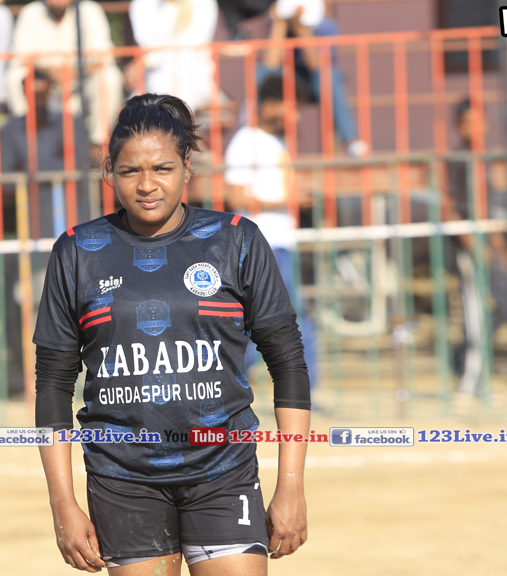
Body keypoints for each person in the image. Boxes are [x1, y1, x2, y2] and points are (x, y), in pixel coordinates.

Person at [34, 94, 310, 576]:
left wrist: (291, 485)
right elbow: (52, 382)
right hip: (123, 481)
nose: (147, 184)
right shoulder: (79, 250)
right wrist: (63, 502)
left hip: (223, 475)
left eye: (162, 168)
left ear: (188, 166)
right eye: (130, 170)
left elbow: (288, 362)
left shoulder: (235, 240)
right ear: (109, 173)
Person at [225, 74, 316, 388]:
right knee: (283, 318)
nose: (297, 116)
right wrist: (287, 201)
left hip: (280, 242)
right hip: (262, 243)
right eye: (293, 107)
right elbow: (235, 196)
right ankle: (301, 388)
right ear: (272, 104)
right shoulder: (246, 141)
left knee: (273, 318)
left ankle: (295, 386)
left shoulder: (274, 141)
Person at [444, 98, 507, 396]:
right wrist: (474, 246)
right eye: (466, 122)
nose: (472, 128)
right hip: (468, 246)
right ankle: (468, 378)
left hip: (490, 241)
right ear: (457, 126)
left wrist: (500, 251)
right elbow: (450, 207)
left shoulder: (486, 158)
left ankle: (464, 359)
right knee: (473, 310)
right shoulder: (457, 159)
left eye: (477, 121)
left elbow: (489, 209)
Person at [6, 0, 123, 148]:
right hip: (45, 86)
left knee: (110, 76)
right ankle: (26, 144)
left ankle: (99, 145)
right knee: (14, 77)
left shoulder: (90, 10)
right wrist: (51, 73)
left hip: (81, 84)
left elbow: (103, 55)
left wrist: (73, 73)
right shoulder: (30, 13)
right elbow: (20, 57)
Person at [259, 0, 365, 157]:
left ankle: (351, 141)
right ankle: (250, 129)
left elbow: (317, 65)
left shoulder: (326, 27)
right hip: (286, 84)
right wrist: (279, 27)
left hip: (316, 84)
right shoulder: (276, 24)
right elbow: (270, 64)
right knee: (260, 73)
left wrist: (302, 31)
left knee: (328, 76)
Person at [1, 69, 89, 238]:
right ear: (24, 94)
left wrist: (27, 167)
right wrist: (58, 161)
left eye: (42, 94)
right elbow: (6, 179)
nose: (38, 100)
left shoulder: (72, 122)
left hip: (72, 212)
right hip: (33, 219)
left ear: (50, 93)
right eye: (33, 94)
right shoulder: (11, 129)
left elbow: (80, 165)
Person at [128, 0, 218, 113]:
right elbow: (149, 45)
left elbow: (188, 48)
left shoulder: (203, 4)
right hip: (153, 79)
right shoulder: (141, 5)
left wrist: (145, 61)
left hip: (192, 76)